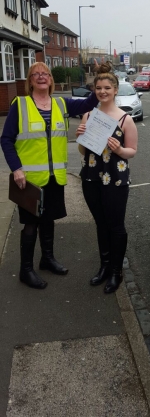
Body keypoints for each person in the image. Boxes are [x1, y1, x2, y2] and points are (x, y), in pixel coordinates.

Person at [1, 62, 100, 289]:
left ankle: (47, 259)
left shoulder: (61, 103)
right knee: (30, 224)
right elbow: (6, 140)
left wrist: (98, 78)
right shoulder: (20, 104)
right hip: (29, 179)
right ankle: (25, 270)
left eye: (45, 73)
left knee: (48, 220)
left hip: (55, 176)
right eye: (35, 74)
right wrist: (16, 169)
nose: (41, 77)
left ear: (51, 79)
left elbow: (89, 103)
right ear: (30, 80)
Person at [76, 62, 138, 294]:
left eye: (107, 88)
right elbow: (84, 152)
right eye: (98, 88)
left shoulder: (125, 120)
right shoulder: (89, 115)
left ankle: (115, 271)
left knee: (115, 225)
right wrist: (80, 136)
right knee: (101, 223)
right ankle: (103, 267)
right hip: (91, 176)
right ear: (95, 90)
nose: (102, 92)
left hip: (115, 178)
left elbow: (132, 150)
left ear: (115, 90)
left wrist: (120, 151)